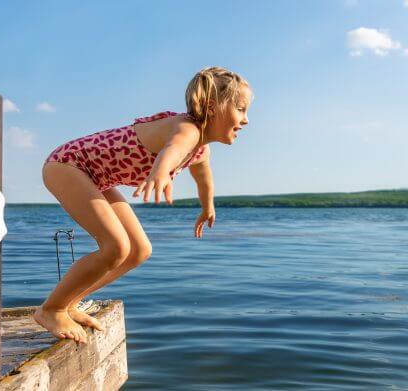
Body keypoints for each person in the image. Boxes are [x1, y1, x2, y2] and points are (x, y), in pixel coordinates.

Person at [35, 66, 251, 343]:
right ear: (211, 107)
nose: (246, 120)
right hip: (68, 165)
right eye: (241, 109)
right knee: (116, 246)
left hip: (95, 176)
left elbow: (204, 180)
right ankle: (52, 308)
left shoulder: (200, 149)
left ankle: (69, 303)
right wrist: (160, 172)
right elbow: (172, 149)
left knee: (139, 250)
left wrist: (207, 207)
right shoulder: (187, 129)